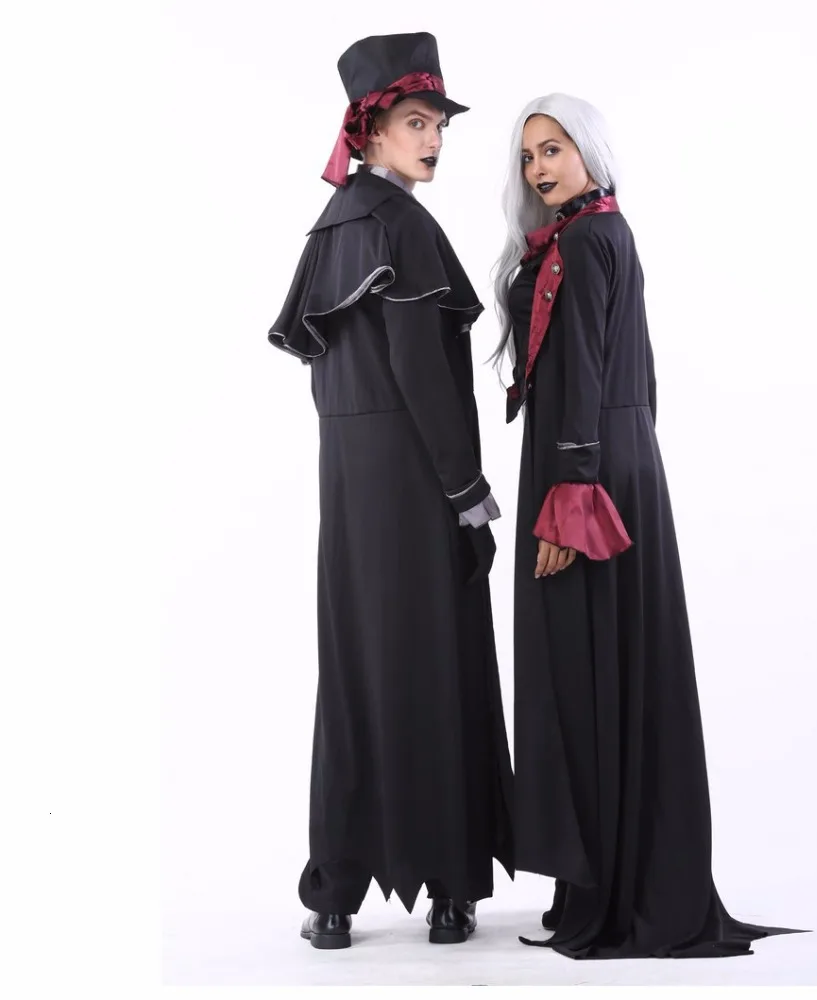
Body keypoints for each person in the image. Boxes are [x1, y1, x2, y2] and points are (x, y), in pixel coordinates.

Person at [493, 93, 803, 959]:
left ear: (589, 150)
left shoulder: (592, 238)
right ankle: (602, 875)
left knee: (588, 669)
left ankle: (614, 890)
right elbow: (633, 370)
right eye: (528, 156)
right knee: (590, 667)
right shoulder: (589, 234)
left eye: (554, 148)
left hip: (584, 472)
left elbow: (591, 371)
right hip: (604, 460)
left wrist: (574, 496)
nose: (539, 167)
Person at [268, 32, 514, 950]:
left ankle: (333, 897)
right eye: (416, 122)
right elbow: (422, 376)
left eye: (439, 124)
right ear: (369, 131)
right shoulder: (401, 227)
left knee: (355, 673)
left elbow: (326, 375)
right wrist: (467, 495)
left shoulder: (331, 226)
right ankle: (450, 890)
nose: (434, 139)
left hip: (348, 487)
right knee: (438, 664)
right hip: (415, 481)